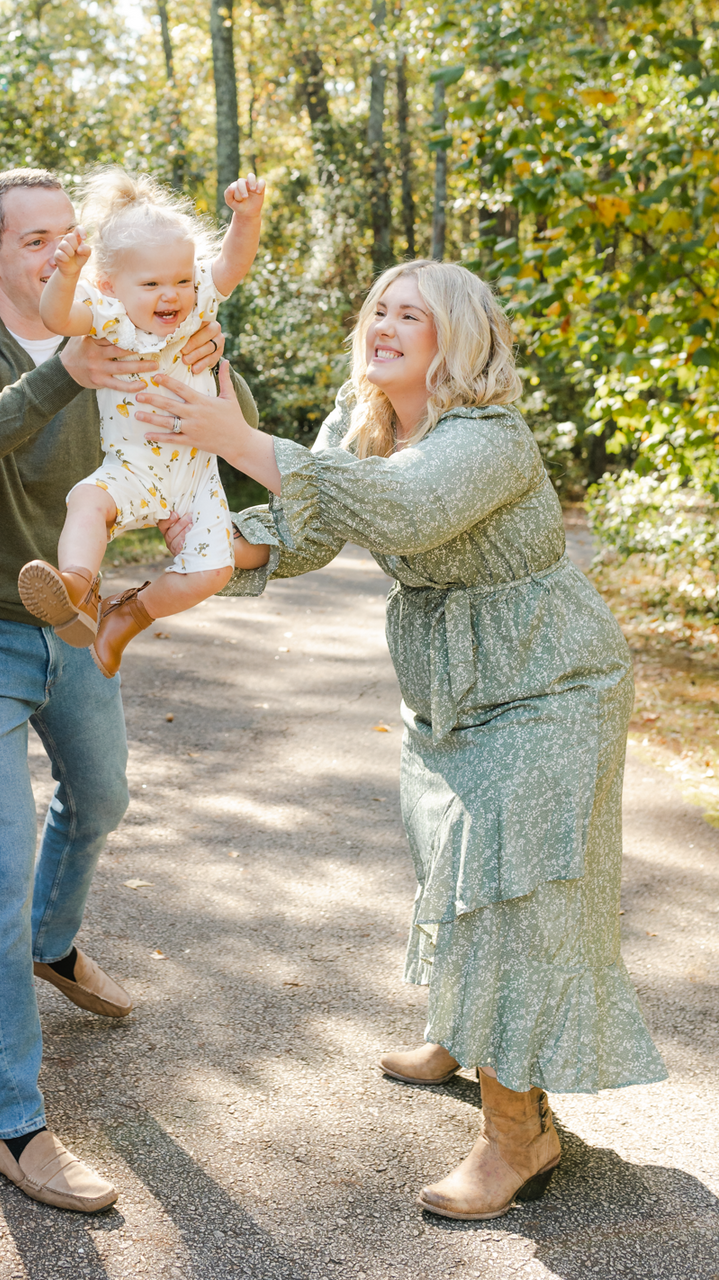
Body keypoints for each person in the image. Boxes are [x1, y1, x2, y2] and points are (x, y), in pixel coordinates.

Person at [132, 259, 665, 1222]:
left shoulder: (487, 437)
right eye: (376, 307)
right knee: (447, 860)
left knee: (508, 890)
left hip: (551, 682)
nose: (382, 323)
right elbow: (301, 530)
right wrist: (207, 542)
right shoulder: (364, 422)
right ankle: (466, 1030)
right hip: (450, 689)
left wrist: (236, 435)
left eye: (409, 314)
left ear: (454, 339)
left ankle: (518, 1137)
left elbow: (409, 508)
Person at [0, 166, 257, 1215]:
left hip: (74, 625)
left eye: (69, 236)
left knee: (102, 799)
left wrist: (212, 360)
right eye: (34, 242)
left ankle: (55, 947)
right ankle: (14, 1127)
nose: (56, 253)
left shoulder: (128, 308)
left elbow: (223, 434)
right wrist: (62, 372)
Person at [18, 166, 267, 676]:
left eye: (180, 279)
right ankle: (75, 585)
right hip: (133, 465)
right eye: (151, 283)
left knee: (212, 571)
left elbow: (233, 264)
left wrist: (248, 217)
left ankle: (127, 615)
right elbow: (56, 319)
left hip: (195, 474)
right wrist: (66, 275)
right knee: (88, 501)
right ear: (110, 284)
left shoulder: (198, 304)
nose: (170, 295)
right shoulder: (107, 314)